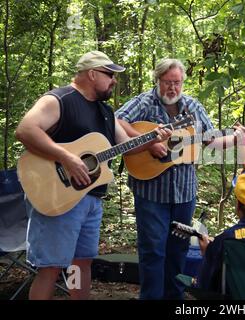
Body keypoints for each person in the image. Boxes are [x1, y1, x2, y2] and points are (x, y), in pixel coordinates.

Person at [15, 50, 170, 300]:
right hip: (56, 195)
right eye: (110, 75)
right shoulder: (59, 99)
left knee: (81, 263)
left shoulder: (106, 112)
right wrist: (66, 158)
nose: (114, 80)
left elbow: (128, 146)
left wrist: (154, 138)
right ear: (92, 73)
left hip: (91, 199)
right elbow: (26, 130)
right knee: (50, 269)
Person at [115, 58, 244, 300]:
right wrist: (149, 141)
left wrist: (235, 138)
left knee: (178, 250)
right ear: (158, 80)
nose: (172, 88)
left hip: (184, 193)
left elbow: (210, 139)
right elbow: (116, 120)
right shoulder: (144, 102)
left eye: (177, 83)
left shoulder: (192, 106)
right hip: (151, 191)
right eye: (167, 82)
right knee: (153, 251)